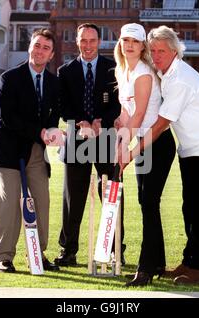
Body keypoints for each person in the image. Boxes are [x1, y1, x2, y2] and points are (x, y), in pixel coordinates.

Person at [120, 25, 199, 285]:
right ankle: (190, 261)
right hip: (189, 146)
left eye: (162, 51)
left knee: (197, 206)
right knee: (189, 204)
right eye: (153, 50)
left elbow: (159, 125)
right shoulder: (164, 71)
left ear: (175, 51)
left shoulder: (179, 78)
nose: (156, 56)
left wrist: (130, 152)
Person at [0, 28, 61, 273]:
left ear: (51, 54)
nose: (40, 51)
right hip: (8, 149)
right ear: (30, 48)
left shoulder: (54, 82)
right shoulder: (10, 77)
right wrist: (40, 132)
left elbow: (53, 114)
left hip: (36, 151)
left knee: (41, 201)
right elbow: (9, 117)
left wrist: (51, 131)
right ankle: (4, 255)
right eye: (37, 45)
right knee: (9, 205)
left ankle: (37, 253)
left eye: (45, 48)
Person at [54, 23, 125, 266]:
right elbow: (62, 106)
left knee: (111, 195)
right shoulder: (65, 71)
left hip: (106, 137)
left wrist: (101, 122)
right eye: (83, 40)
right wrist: (81, 121)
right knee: (73, 198)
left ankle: (116, 250)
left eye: (92, 40)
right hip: (76, 139)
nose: (87, 45)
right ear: (77, 42)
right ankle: (68, 251)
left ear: (99, 42)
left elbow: (119, 105)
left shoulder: (113, 69)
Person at [113, 23, 176, 287]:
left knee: (148, 202)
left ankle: (146, 269)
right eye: (125, 40)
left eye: (135, 42)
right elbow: (127, 113)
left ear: (142, 47)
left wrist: (126, 151)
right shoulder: (122, 70)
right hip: (142, 141)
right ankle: (157, 262)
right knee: (146, 202)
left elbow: (139, 115)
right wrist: (120, 143)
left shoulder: (143, 73)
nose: (129, 45)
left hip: (157, 144)